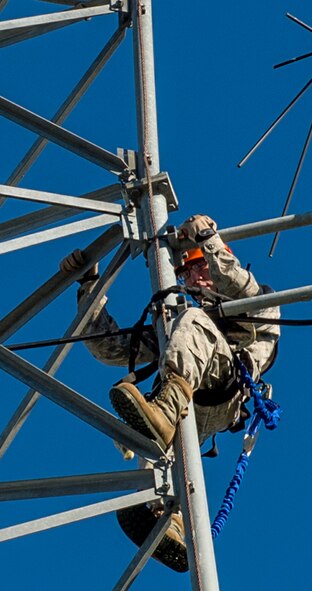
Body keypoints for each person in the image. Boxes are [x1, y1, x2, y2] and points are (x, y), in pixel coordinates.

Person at [59, 214, 279, 572]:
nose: (193, 278)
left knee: (192, 324)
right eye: (187, 272)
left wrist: (207, 238)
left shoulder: (261, 302)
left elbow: (238, 284)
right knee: (160, 447)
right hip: (190, 401)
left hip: (226, 387)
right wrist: (89, 286)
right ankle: (169, 518)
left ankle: (164, 411)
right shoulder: (179, 327)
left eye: (198, 267)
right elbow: (109, 348)